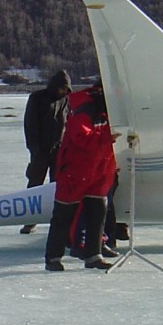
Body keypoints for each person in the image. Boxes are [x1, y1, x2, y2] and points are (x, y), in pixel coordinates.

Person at [43, 83, 119, 271]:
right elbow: (81, 138)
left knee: (97, 214)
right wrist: (107, 136)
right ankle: (53, 257)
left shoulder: (107, 111)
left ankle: (93, 255)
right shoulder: (84, 109)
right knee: (64, 215)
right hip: (75, 171)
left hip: (99, 170)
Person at [19, 70, 71, 233]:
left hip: (59, 150)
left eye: (66, 89)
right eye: (62, 88)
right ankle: (30, 220)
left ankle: (58, 221)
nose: (63, 91)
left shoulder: (66, 100)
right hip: (40, 150)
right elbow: (30, 124)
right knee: (34, 185)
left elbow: (68, 122)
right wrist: (34, 149)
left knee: (58, 186)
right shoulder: (37, 98)